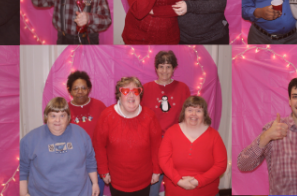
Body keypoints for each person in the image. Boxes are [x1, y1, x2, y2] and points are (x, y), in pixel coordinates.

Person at [94, 77, 161, 196]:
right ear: (119, 95)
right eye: (126, 91)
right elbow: (99, 145)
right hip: (117, 181)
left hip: (144, 180)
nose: (131, 95)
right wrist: (103, 171)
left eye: (135, 91)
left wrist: (156, 171)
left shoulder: (150, 116)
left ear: (140, 94)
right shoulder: (107, 116)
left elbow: (156, 146)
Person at [19, 97, 99, 196]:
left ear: (68, 118)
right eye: (53, 115)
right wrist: (23, 193)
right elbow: (23, 168)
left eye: (62, 115)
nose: (57, 120)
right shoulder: (30, 139)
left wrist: (95, 183)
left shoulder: (81, 134)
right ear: (46, 117)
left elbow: (90, 161)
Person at [140, 50, 190, 196]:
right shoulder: (146, 88)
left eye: (168, 66)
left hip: (175, 141)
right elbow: (140, 116)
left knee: (175, 179)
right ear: (156, 68)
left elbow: (187, 116)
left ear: (174, 68)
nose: (164, 70)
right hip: (152, 141)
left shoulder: (183, 88)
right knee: (154, 178)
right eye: (161, 66)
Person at [158, 96, 227, 196]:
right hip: (175, 191)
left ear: (204, 114)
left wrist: (197, 181)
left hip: (207, 192)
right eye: (190, 110)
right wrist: (179, 181)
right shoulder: (171, 132)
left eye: (198, 111)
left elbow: (221, 165)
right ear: (184, 112)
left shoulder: (214, 135)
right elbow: (163, 161)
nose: (193, 114)